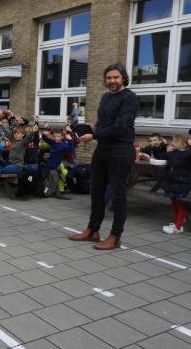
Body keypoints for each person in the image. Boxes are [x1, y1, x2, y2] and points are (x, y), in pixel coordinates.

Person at [69, 63, 138, 250]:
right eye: (109, 78)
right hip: (103, 149)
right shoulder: (106, 97)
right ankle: (93, 230)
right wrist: (92, 128)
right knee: (96, 191)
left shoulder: (130, 97)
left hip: (121, 150)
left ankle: (115, 236)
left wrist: (95, 134)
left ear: (123, 78)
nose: (112, 81)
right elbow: (105, 123)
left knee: (118, 196)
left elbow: (122, 125)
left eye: (116, 77)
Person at [153, 134, 191, 234]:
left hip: (182, 183)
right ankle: (177, 222)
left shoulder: (189, 154)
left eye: (175, 141)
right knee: (174, 202)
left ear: (183, 144)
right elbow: (159, 156)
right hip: (171, 182)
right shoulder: (172, 153)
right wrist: (157, 146)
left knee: (180, 204)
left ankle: (178, 227)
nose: (172, 143)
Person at [0, 124, 39, 192]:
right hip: (10, 164)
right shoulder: (12, 141)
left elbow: (28, 138)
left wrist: (33, 131)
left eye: (18, 133)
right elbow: (6, 131)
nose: (16, 134)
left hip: (17, 166)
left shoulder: (23, 143)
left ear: (23, 134)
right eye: (15, 133)